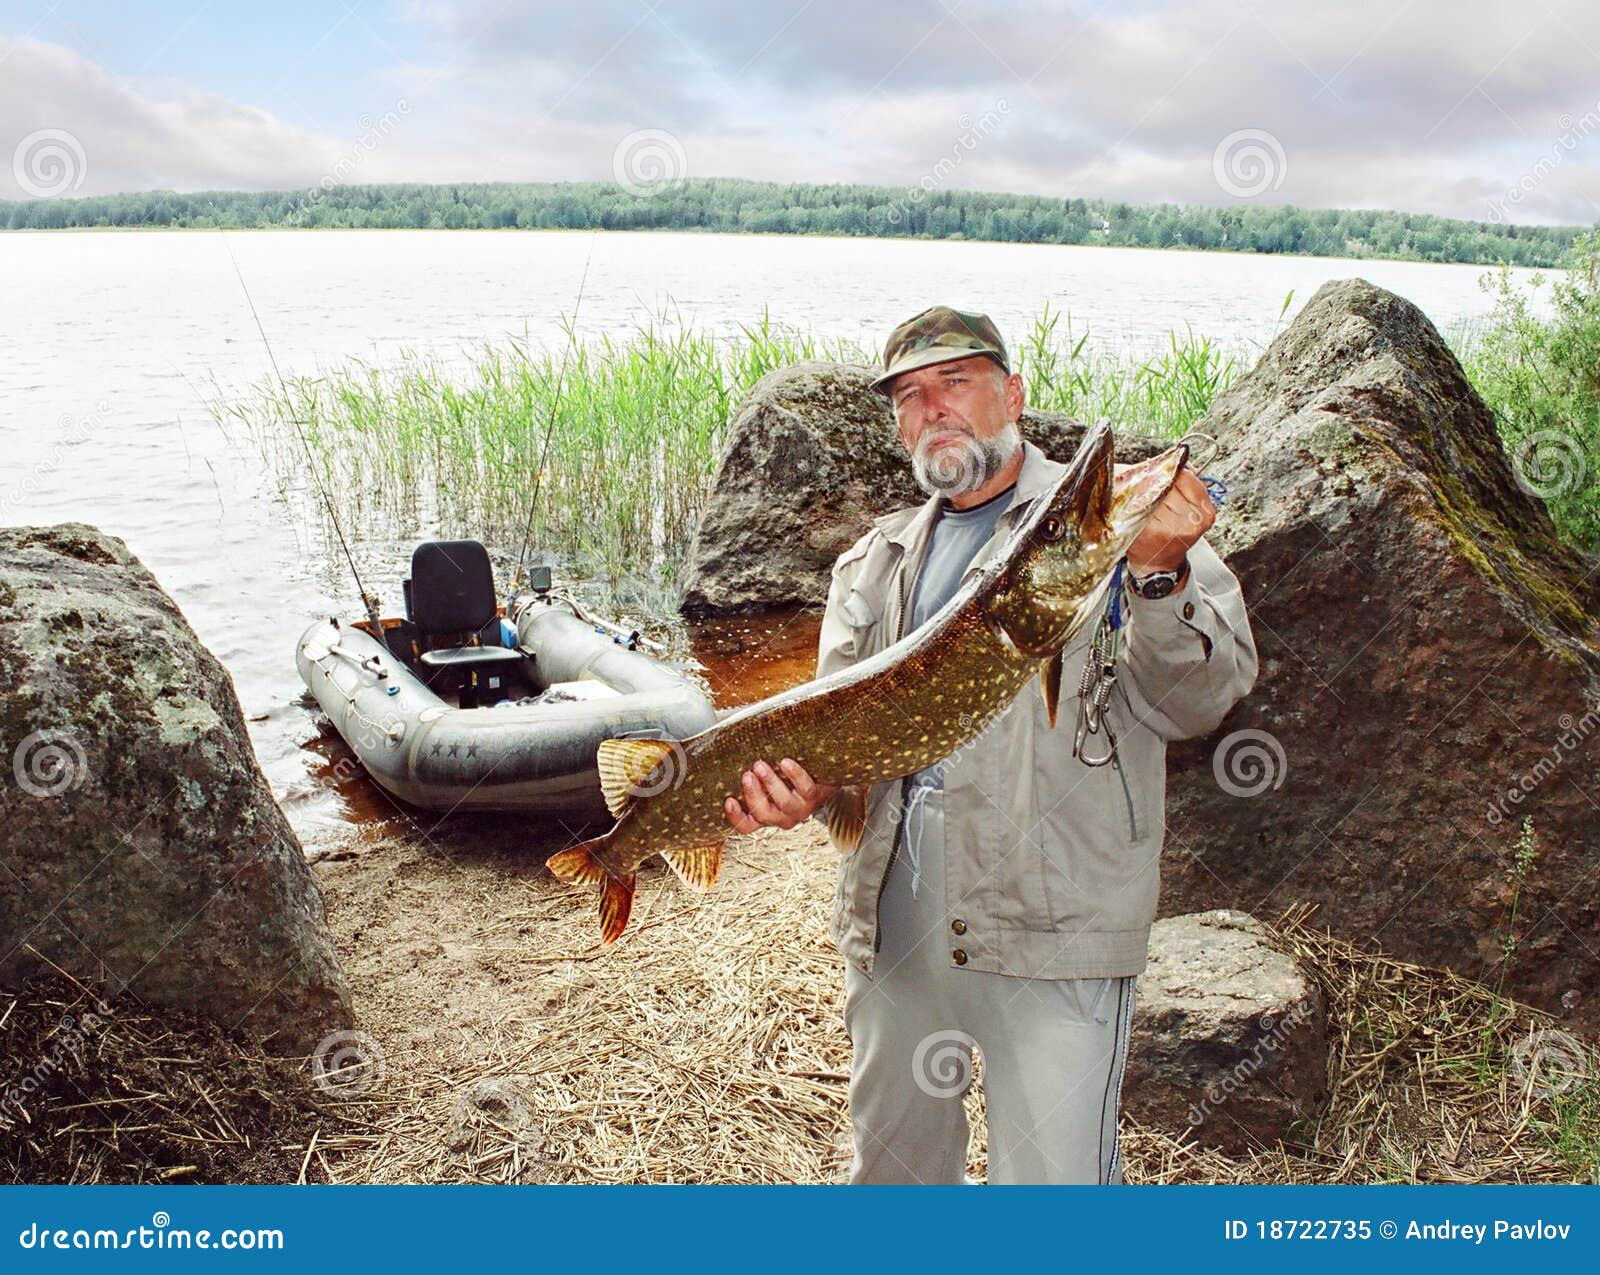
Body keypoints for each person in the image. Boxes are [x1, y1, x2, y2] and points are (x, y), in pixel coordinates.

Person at [721, 305, 1258, 1184]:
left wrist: (1160, 575)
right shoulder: (870, 563)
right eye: (910, 394)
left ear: (1012, 393)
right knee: (896, 1180)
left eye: (955, 382)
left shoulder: (1122, 531)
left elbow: (1200, 701)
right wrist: (803, 797)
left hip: (1054, 915)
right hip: (896, 915)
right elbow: (836, 760)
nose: (932, 407)